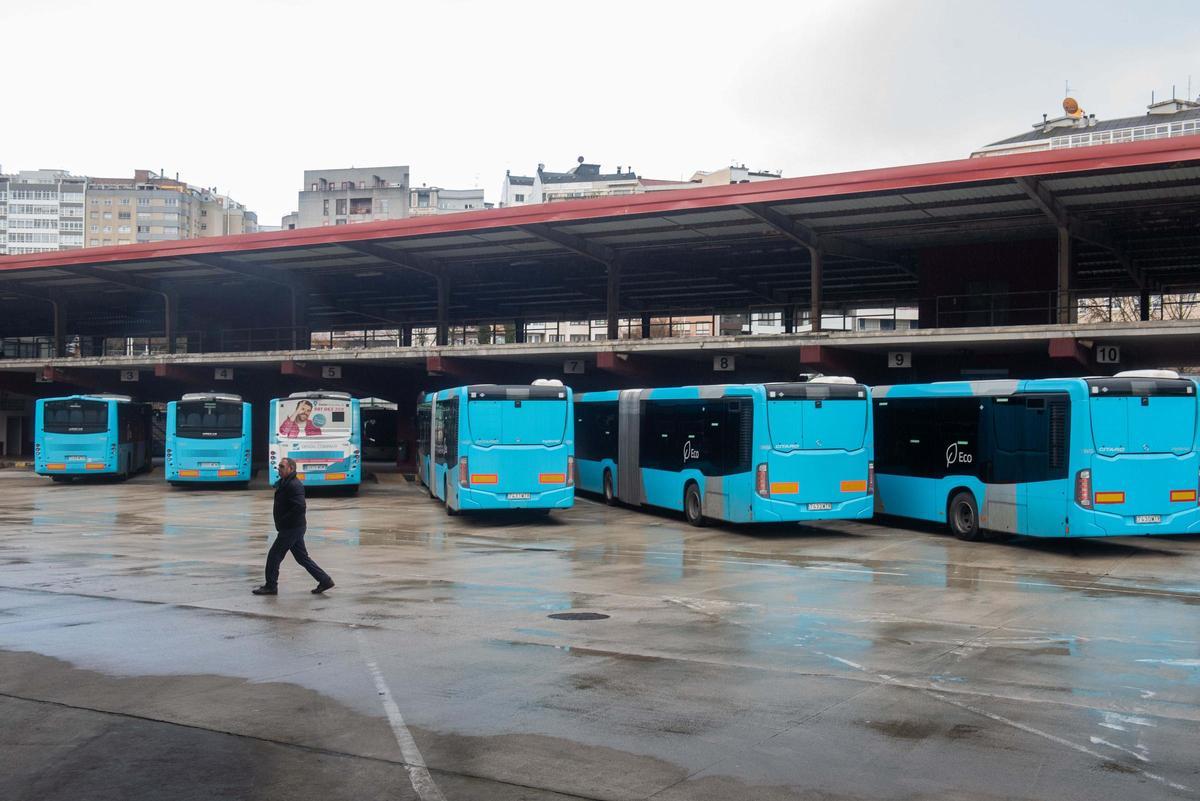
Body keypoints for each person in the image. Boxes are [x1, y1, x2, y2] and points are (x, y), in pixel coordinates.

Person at [253, 457, 334, 596]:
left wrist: (284, 521)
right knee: (302, 558)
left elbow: (300, 507)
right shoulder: (284, 483)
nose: (279, 469)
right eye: (278, 466)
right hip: (292, 527)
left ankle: (271, 586)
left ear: (291, 468)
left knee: (274, 556)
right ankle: (325, 580)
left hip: (291, 528)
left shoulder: (294, 485)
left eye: (282, 467)